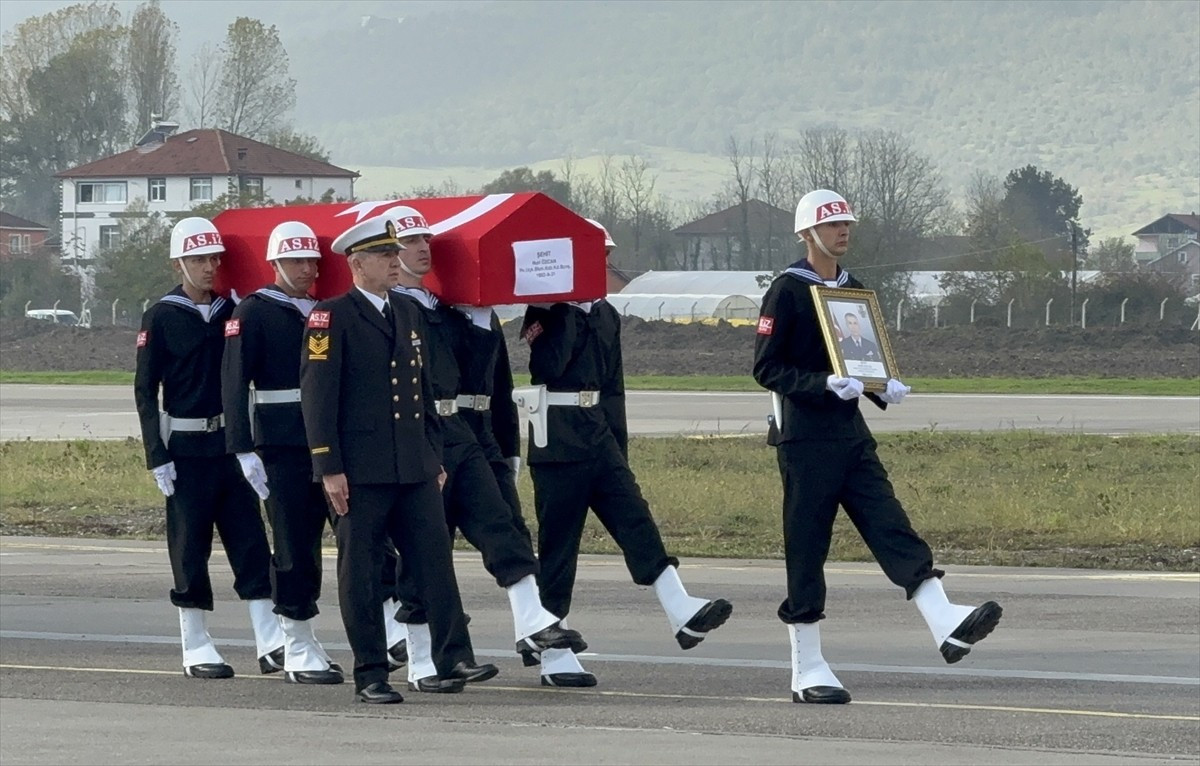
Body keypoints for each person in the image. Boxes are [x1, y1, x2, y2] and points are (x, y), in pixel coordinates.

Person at [752, 189, 1003, 705]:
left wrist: (881, 384)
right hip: (804, 436)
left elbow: (862, 357)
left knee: (891, 523)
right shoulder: (787, 290)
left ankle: (944, 619)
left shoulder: (854, 290)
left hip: (850, 433)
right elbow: (766, 367)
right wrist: (822, 383)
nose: (843, 231)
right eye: (832, 224)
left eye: (846, 223)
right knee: (807, 547)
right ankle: (807, 665)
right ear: (807, 234)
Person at [516, 218, 732, 688]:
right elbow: (548, 368)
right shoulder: (547, 309)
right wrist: (568, 310)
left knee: (637, 522)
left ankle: (682, 610)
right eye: (597, 257)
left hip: (599, 437)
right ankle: (552, 656)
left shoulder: (606, 313)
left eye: (607, 256)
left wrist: (619, 447)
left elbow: (612, 387)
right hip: (558, 442)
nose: (606, 265)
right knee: (559, 547)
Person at [385, 205, 586, 692]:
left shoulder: (442, 307)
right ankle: (419, 661)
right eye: (409, 242)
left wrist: (476, 318)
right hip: (419, 436)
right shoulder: (391, 309)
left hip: (461, 433)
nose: (421, 248)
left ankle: (534, 622)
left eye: (424, 240)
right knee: (424, 551)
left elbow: (485, 376)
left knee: (500, 524)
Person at [301, 212, 481, 703]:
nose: (395, 262)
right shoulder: (331, 316)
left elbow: (419, 392)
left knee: (434, 561)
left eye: (395, 254)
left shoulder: (406, 312)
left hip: (414, 465)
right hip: (361, 471)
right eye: (385, 256)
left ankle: (452, 657)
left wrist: (433, 454)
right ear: (358, 264)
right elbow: (318, 399)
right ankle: (372, 673)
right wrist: (328, 468)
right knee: (360, 572)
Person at [134, 216, 285, 680]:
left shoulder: (230, 311)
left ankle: (270, 639)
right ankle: (196, 643)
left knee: (251, 542)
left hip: (229, 446)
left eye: (213, 258)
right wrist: (156, 455)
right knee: (189, 546)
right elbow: (145, 389)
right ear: (179, 262)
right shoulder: (161, 315)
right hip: (184, 449)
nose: (207, 267)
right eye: (198, 259)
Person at [221, 221, 342, 685]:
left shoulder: (325, 310)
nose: (307, 269)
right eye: (296, 260)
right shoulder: (253, 312)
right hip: (281, 446)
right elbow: (233, 383)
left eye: (312, 260)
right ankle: (295, 642)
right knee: (294, 547)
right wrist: (242, 449)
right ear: (275, 264)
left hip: (328, 444)